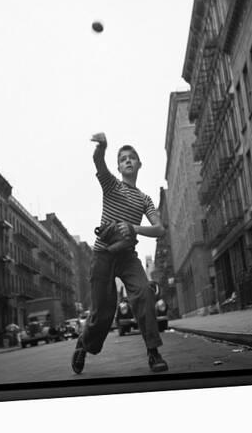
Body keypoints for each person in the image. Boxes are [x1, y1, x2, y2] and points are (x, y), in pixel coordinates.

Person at [71, 132, 168, 374]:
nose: (127, 161)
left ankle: (153, 352)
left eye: (132, 158)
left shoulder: (144, 199)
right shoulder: (112, 185)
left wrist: (133, 227)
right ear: (118, 165)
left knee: (144, 292)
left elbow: (160, 229)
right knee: (103, 311)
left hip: (127, 256)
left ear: (139, 164)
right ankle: (84, 342)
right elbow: (98, 164)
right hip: (103, 254)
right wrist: (101, 147)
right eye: (123, 158)